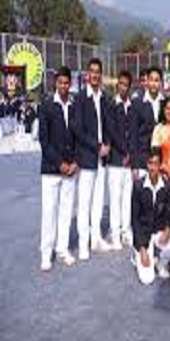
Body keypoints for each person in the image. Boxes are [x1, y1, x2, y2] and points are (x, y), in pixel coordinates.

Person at [38, 66, 79, 271]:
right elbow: (44, 141)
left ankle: (62, 249)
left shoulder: (74, 106)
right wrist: (59, 164)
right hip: (51, 170)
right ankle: (46, 253)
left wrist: (75, 162)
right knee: (49, 212)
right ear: (55, 83)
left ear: (70, 84)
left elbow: (78, 137)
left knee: (66, 212)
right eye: (60, 82)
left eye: (66, 82)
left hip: (70, 169)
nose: (63, 86)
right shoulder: (46, 106)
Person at [73, 58, 112, 259]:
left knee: (98, 200)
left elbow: (108, 125)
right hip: (87, 158)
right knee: (84, 202)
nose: (95, 75)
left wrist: (108, 145)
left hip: (102, 158)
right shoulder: (80, 98)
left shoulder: (104, 98)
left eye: (98, 72)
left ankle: (96, 239)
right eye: (92, 71)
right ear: (87, 74)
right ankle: (83, 244)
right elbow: (78, 130)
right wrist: (97, 147)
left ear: (100, 75)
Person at [131, 148, 170, 285]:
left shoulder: (168, 186)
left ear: (160, 165)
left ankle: (161, 263)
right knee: (147, 279)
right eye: (150, 163)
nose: (152, 167)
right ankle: (138, 254)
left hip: (159, 230)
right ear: (146, 164)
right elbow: (135, 220)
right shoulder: (138, 186)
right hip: (144, 234)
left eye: (156, 163)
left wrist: (167, 230)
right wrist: (142, 248)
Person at [107, 70, 134, 250]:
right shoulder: (111, 105)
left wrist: (131, 155)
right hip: (116, 160)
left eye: (126, 85)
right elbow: (112, 132)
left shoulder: (132, 106)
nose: (123, 88)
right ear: (117, 86)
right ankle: (115, 234)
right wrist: (125, 153)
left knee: (127, 198)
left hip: (129, 161)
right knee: (115, 199)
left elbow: (134, 132)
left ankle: (126, 231)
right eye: (121, 84)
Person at [129, 66, 164, 179]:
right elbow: (133, 135)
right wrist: (134, 165)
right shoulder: (137, 103)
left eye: (156, 80)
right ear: (147, 81)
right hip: (142, 162)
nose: (153, 84)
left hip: (162, 163)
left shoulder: (165, 103)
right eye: (151, 80)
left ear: (161, 83)